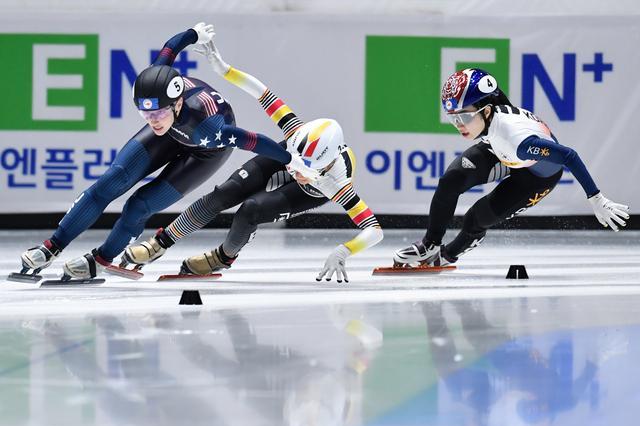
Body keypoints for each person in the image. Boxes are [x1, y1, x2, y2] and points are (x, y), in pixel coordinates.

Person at [14, 23, 314, 281]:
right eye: (146, 114)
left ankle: (101, 259)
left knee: (139, 205)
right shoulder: (159, 84)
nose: (152, 120)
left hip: (204, 151)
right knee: (109, 183)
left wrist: (291, 160)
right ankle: (52, 246)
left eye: (158, 113)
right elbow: (171, 48)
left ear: (178, 103)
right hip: (176, 132)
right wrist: (193, 33)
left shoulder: (209, 127)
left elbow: (252, 140)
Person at [124, 34, 383, 282]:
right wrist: (224, 69)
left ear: (324, 167)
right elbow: (261, 92)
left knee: (251, 210)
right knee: (225, 193)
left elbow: (374, 231)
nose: (296, 171)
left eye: (306, 169)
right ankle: (160, 243)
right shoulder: (294, 133)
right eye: (297, 162)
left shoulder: (336, 184)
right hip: (287, 156)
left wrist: (345, 250)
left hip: (312, 191)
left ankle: (223, 257)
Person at [394, 68, 630, 267]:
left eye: (463, 118)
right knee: (450, 182)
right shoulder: (489, 114)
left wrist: (596, 198)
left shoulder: (517, 140)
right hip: (499, 149)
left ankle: (447, 256)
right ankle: (430, 245)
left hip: (535, 175)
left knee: (475, 218)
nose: (459, 126)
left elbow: (568, 155)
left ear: (485, 111)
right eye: (453, 118)